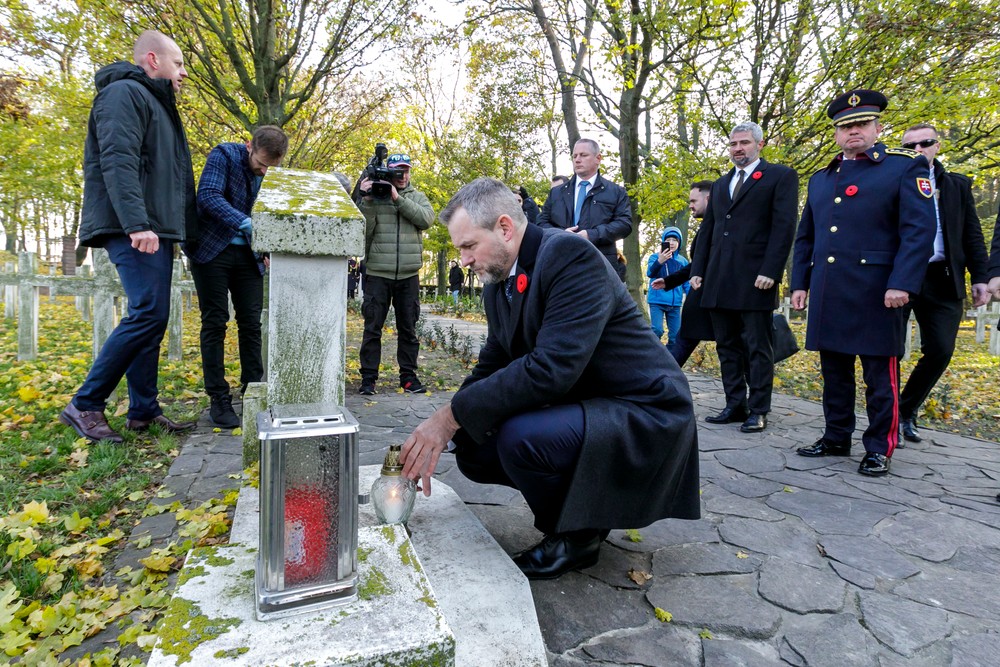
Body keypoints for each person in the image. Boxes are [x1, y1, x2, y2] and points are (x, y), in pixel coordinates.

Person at [399, 178, 700, 580]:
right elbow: (494, 359)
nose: (464, 261)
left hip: (643, 410)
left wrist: (449, 416)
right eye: (459, 251)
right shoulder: (499, 282)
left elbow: (551, 369)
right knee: (473, 444)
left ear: (505, 227)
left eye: (469, 246)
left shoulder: (569, 256)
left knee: (519, 437)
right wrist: (444, 426)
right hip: (591, 402)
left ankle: (578, 537)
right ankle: (585, 511)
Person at [60, 30, 197, 443]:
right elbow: (117, 159)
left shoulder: (155, 102)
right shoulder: (123, 94)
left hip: (154, 226)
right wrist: (137, 223)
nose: (184, 73)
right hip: (134, 226)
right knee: (149, 312)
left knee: (153, 318)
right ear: (152, 60)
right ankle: (85, 403)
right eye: (178, 64)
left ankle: (143, 410)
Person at [791, 89, 936, 476]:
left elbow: (919, 231)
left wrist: (902, 282)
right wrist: (799, 283)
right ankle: (836, 436)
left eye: (861, 124)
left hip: (878, 291)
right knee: (834, 370)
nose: (853, 131)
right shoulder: (823, 178)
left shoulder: (904, 168)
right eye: (845, 126)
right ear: (837, 134)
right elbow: (807, 236)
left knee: (878, 376)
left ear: (877, 128)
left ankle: (878, 447)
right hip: (830, 287)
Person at [690, 122, 798, 434]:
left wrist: (772, 271)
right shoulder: (721, 185)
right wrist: (698, 270)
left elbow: (784, 227)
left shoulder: (780, 177)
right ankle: (735, 404)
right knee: (726, 345)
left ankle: (759, 409)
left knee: (758, 347)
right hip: (718, 278)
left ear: (759, 145)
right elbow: (707, 229)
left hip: (756, 279)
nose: (738, 148)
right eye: (734, 144)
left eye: (745, 143)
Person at [185, 126, 288, 428]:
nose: (265, 171)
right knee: (216, 322)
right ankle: (218, 397)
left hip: (248, 258)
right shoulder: (223, 155)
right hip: (211, 251)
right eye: (261, 164)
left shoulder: (271, 174)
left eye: (272, 167)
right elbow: (208, 196)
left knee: (251, 325)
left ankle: (252, 392)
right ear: (249, 146)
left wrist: (266, 245)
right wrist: (244, 223)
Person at [895, 123, 990, 443]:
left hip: (942, 277)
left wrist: (981, 277)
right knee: (888, 350)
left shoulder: (956, 186)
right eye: (911, 145)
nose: (919, 149)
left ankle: (906, 409)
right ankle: (887, 414)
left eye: (926, 142)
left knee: (940, 349)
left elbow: (972, 235)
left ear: (937, 146)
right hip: (898, 277)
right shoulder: (891, 181)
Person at [357, 153, 434, 395]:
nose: (403, 176)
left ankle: (408, 378)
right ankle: (368, 379)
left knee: (408, 329)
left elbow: (426, 219)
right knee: (372, 329)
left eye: (406, 171)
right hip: (378, 273)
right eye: (398, 171)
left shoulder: (418, 197)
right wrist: (367, 200)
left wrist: (397, 199)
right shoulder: (374, 199)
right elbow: (362, 234)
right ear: (388, 172)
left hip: (408, 275)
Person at [536, 139, 632, 270]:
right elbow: (541, 223)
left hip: (599, 265)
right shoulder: (556, 193)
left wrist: (591, 235)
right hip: (560, 262)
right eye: (574, 156)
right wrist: (560, 234)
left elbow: (624, 224)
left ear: (598, 158)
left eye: (583, 155)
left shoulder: (616, 192)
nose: (577, 159)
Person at [663, 181, 717, 365]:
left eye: (694, 200)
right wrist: (669, 280)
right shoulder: (708, 226)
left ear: (708, 198)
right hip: (701, 299)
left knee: (735, 352)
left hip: (711, 297)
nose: (690, 205)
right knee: (682, 344)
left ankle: (659, 383)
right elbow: (697, 264)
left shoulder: (719, 226)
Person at [647, 227, 690, 346]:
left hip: (675, 304)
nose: (671, 243)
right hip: (657, 301)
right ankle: (651, 356)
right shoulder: (655, 257)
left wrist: (692, 296)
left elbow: (686, 282)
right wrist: (660, 261)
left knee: (676, 336)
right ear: (663, 241)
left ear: (679, 242)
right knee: (657, 331)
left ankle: (670, 360)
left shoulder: (683, 261)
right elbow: (650, 273)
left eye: (675, 240)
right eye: (668, 239)